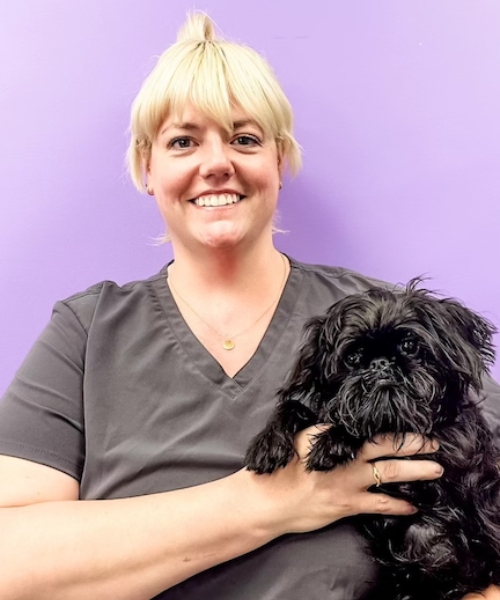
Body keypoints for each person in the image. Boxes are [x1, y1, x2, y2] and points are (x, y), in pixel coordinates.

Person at [0, 11, 499, 600]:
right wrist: (271, 502)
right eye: (183, 141)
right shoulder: (85, 332)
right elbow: (12, 562)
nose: (217, 163)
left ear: (279, 161)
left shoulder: (380, 320)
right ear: (146, 167)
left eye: (245, 138)